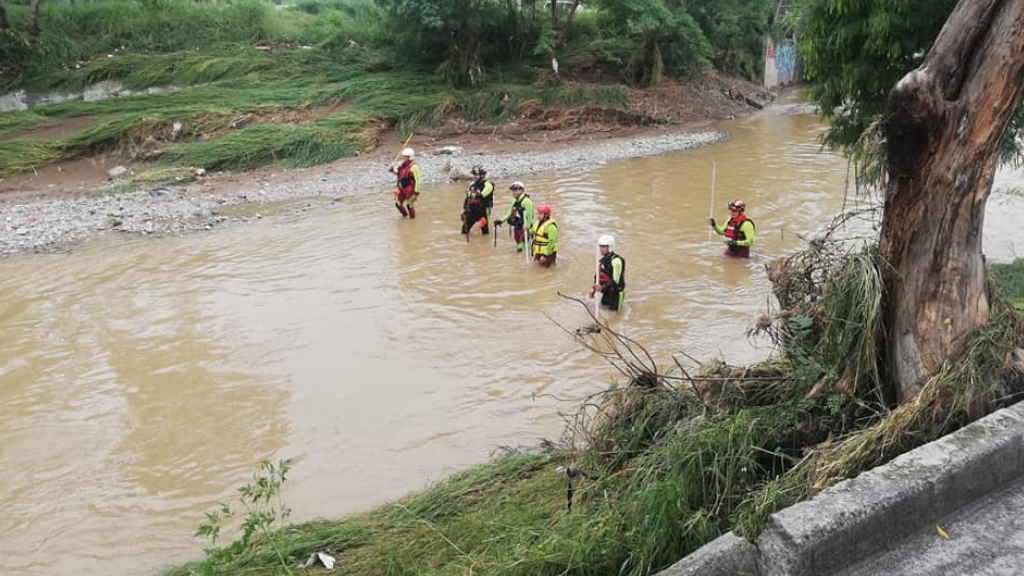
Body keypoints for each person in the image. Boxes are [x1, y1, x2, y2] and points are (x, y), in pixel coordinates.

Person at [494, 181, 534, 253]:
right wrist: (501, 220)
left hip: (525, 228)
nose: (513, 192)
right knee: (518, 243)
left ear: (521, 190)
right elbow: (509, 213)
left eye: (515, 190)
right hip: (517, 226)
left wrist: (527, 228)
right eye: (512, 190)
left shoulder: (527, 201)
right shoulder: (514, 200)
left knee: (520, 248)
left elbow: (530, 217)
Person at [589, 234, 626, 310]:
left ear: (610, 247)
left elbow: (615, 281)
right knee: (603, 310)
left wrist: (602, 288)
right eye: (600, 246)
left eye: (603, 246)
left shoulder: (617, 261)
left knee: (614, 317)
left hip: (616, 294)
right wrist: (593, 288)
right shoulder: (602, 261)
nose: (601, 249)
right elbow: (597, 276)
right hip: (606, 292)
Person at [461, 164, 495, 236]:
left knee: (485, 234)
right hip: (471, 212)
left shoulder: (488, 185)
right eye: (473, 174)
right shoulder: (472, 184)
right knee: (464, 232)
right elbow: (467, 198)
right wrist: (464, 210)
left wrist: (470, 194)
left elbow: (482, 195)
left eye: (476, 174)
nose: (474, 176)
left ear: (482, 175)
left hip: (483, 213)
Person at [388, 147, 420, 218]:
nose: (404, 158)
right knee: (398, 204)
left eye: (406, 157)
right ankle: (404, 216)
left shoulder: (414, 167)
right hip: (402, 189)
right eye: (404, 156)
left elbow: (418, 181)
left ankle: (412, 220)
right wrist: (392, 170)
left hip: (410, 190)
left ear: (410, 157)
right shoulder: (402, 165)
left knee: (409, 205)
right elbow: (398, 173)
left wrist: (416, 193)